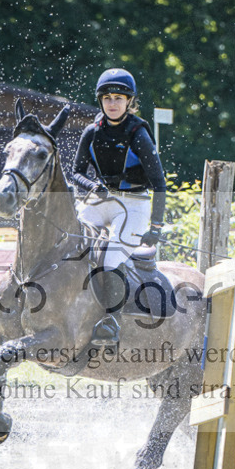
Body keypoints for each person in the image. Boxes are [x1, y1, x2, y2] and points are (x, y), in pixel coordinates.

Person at [69, 68, 168, 347]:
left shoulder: (138, 134)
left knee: (111, 258)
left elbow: (159, 183)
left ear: (129, 101)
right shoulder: (91, 132)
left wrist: (156, 227)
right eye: (108, 98)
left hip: (134, 204)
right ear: (101, 101)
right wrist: (91, 187)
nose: (113, 103)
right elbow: (74, 172)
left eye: (119, 98)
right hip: (100, 201)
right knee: (73, 243)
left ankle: (112, 321)